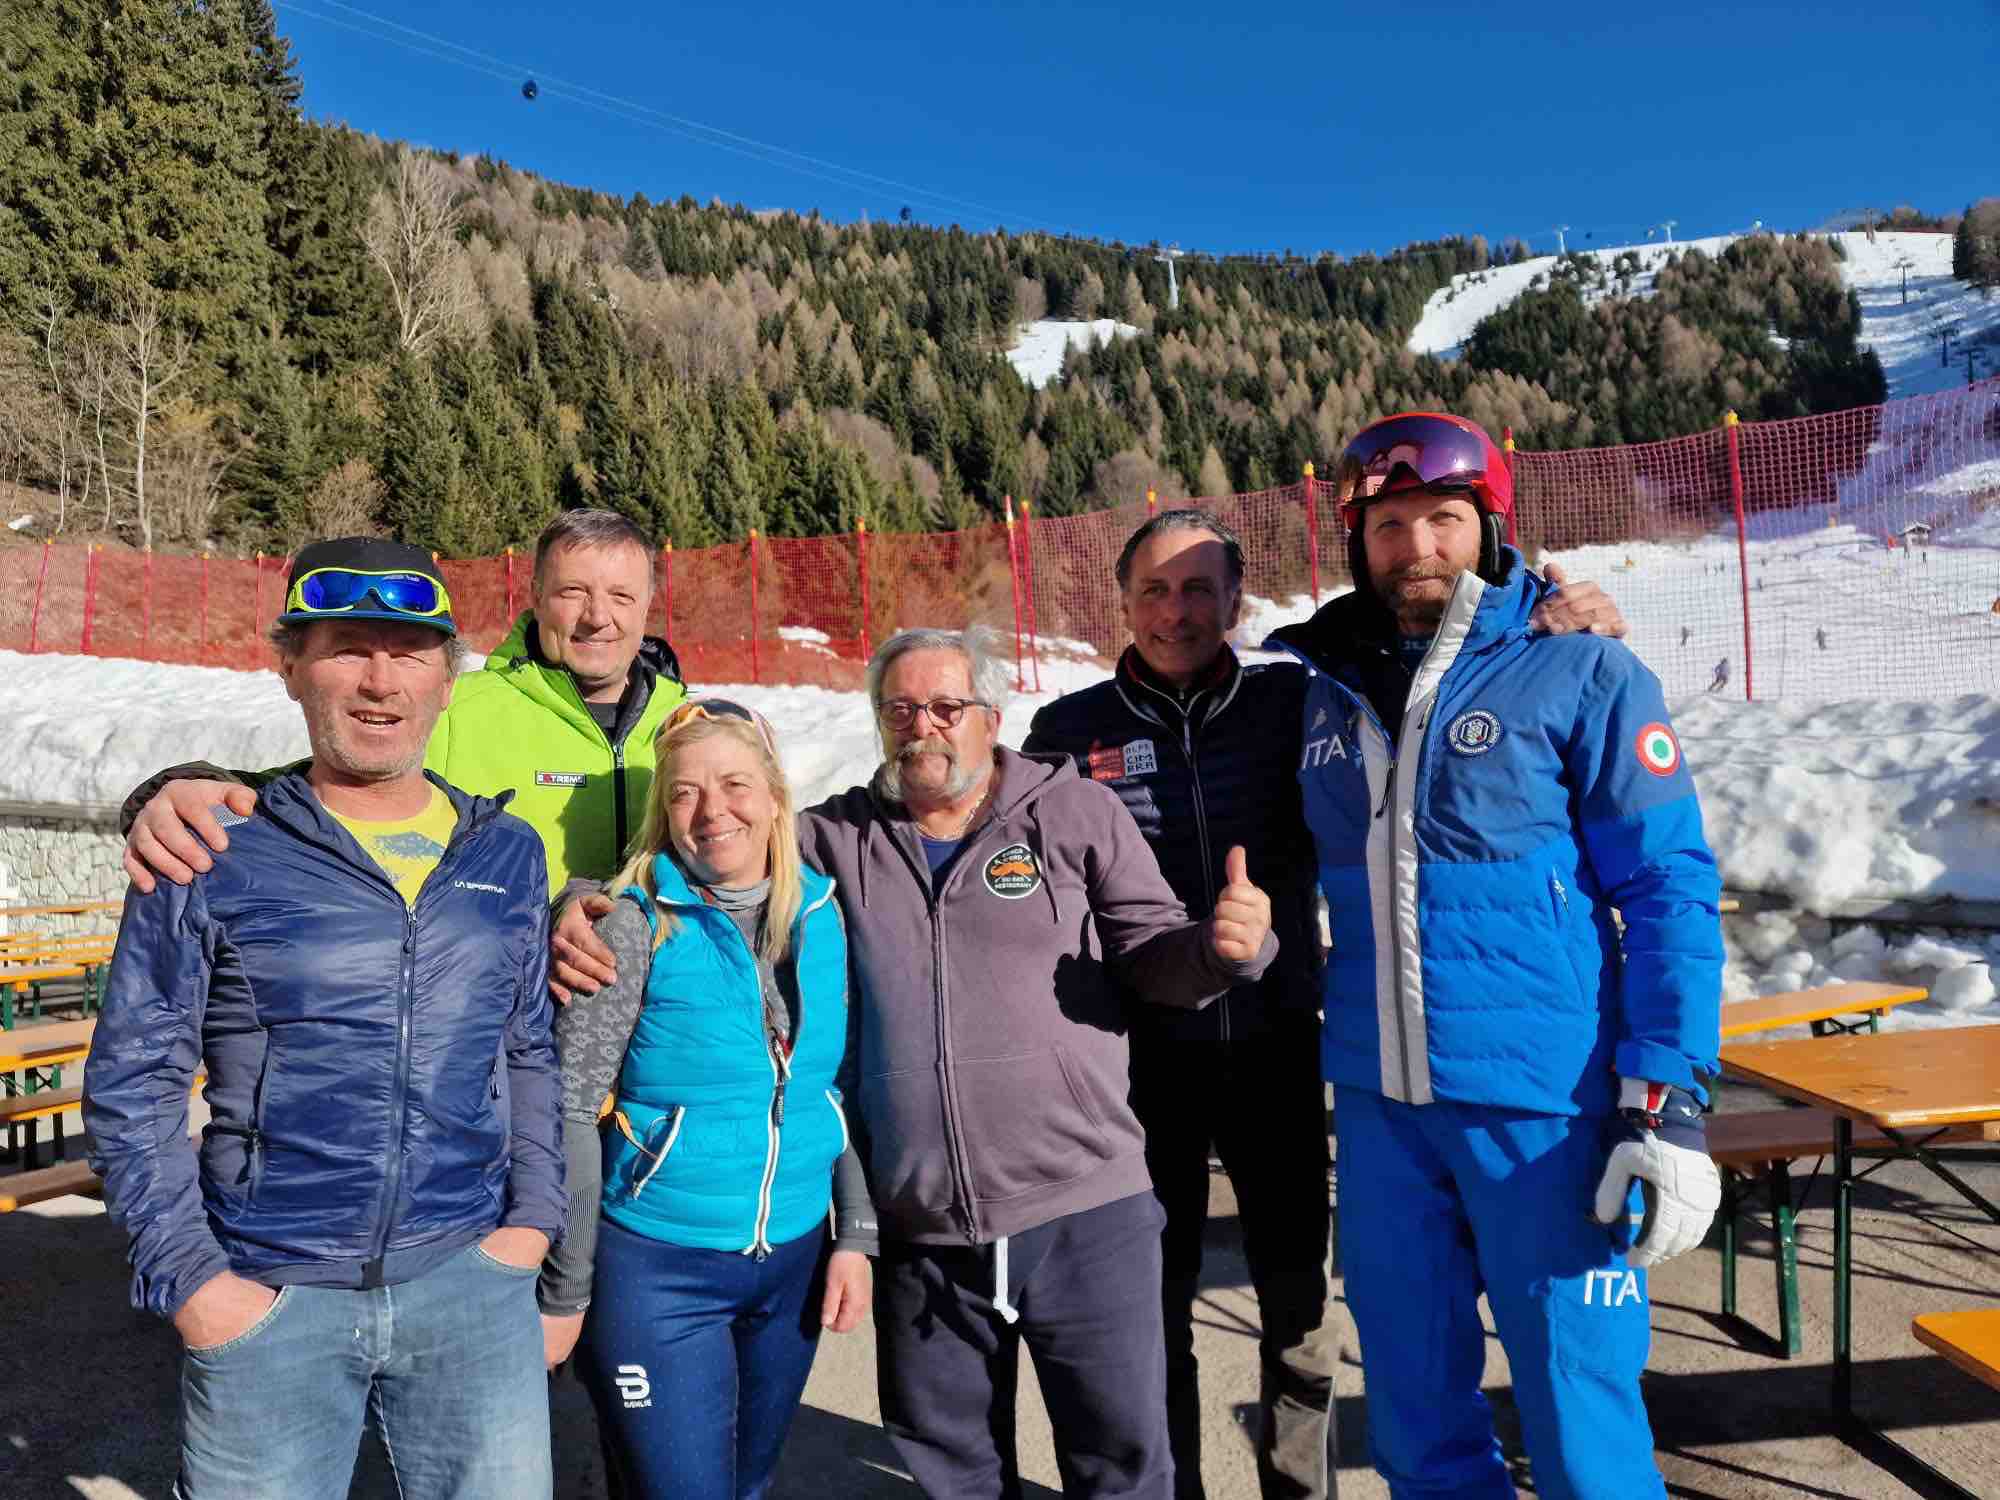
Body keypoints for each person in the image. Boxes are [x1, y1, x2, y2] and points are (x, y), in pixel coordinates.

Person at [1021, 509, 1631, 1500]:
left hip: (1278, 1052)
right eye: (1153, 592)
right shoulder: (1066, 733)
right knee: (1146, 1311)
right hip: (1136, 1072)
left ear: (1233, 602)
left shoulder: (1296, 706)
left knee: (1299, 1311)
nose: (1175, 613)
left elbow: (1418, 678)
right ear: (1121, 603)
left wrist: (1557, 622)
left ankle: (1297, 1495)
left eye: (1199, 591)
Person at [1265, 412, 1723, 1500]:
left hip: (1544, 1110)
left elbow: (1666, 883)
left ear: (1490, 526)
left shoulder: (1578, 670)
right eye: (1386, 525)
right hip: (1380, 1111)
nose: (1413, 547)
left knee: (1578, 1411)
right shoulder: (1312, 688)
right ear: (1354, 537)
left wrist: (1668, 1102)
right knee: (1415, 1418)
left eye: (1440, 519)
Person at [83, 537, 565, 1500]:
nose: (380, 679)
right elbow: (135, 1076)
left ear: (447, 677)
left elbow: (528, 1051)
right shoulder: (215, 845)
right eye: (347, 645)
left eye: (410, 650)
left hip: (472, 1282)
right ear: (290, 664)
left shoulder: (505, 851)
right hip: (270, 1297)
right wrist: (193, 1282)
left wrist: (534, 1224)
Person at [801, 626, 1277, 1499]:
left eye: (946, 707)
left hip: (1085, 1209)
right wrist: (588, 900)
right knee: (952, 1472)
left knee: (1122, 1466)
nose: (923, 728)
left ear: (991, 718)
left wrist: (1221, 949)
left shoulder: (1074, 814)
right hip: (926, 1229)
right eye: (900, 709)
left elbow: (1152, 954)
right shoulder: (835, 840)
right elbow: (716, 859)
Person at [536, 696, 875, 1499]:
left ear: (774, 798)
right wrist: (566, 1289)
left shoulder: (825, 918)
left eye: (733, 785)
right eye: (684, 792)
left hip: (793, 1262)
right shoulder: (632, 924)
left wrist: (855, 1235)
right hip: (658, 1269)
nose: (711, 809)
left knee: (749, 1485)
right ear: (665, 814)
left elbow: (836, 1089)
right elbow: (571, 1110)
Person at [118, 509, 687, 927]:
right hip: (500, 1025)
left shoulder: (685, 726)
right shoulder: (457, 703)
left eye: (621, 596)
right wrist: (187, 790)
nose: (597, 617)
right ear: (536, 595)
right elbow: (337, 782)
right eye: (573, 592)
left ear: (647, 607)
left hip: (662, 1048)